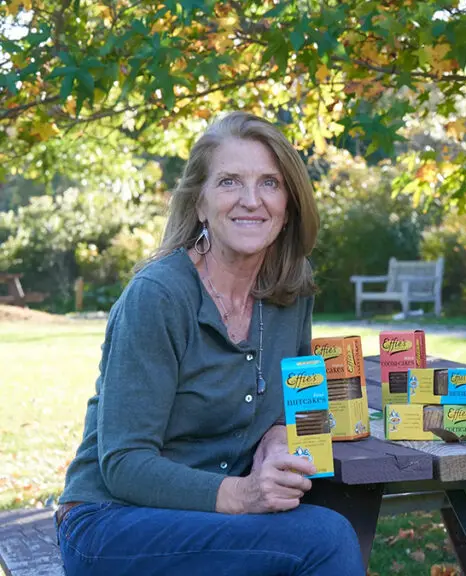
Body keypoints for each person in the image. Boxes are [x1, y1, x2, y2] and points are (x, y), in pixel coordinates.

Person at [56, 112, 364, 575]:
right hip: (112, 523)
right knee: (325, 538)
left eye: (270, 183)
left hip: (208, 523)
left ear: (289, 203)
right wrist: (243, 494)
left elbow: (293, 399)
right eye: (229, 182)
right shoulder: (158, 297)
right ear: (199, 203)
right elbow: (123, 462)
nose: (251, 201)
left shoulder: (290, 291)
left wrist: (277, 440)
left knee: (328, 509)